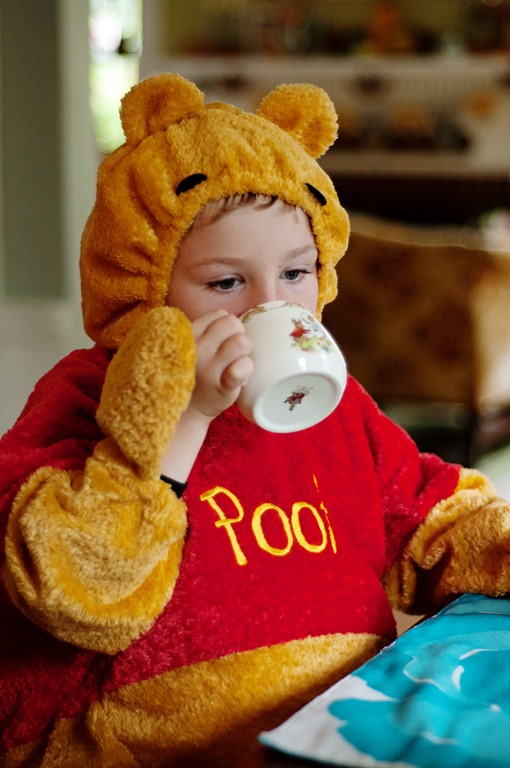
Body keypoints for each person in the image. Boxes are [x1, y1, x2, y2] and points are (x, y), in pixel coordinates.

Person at [1, 73, 510, 768]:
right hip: (143, 744)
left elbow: (428, 513)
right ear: (145, 283)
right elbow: (73, 590)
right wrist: (181, 419)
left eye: (296, 274)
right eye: (226, 283)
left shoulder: (336, 408)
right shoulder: (85, 395)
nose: (272, 309)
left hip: (328, 730)